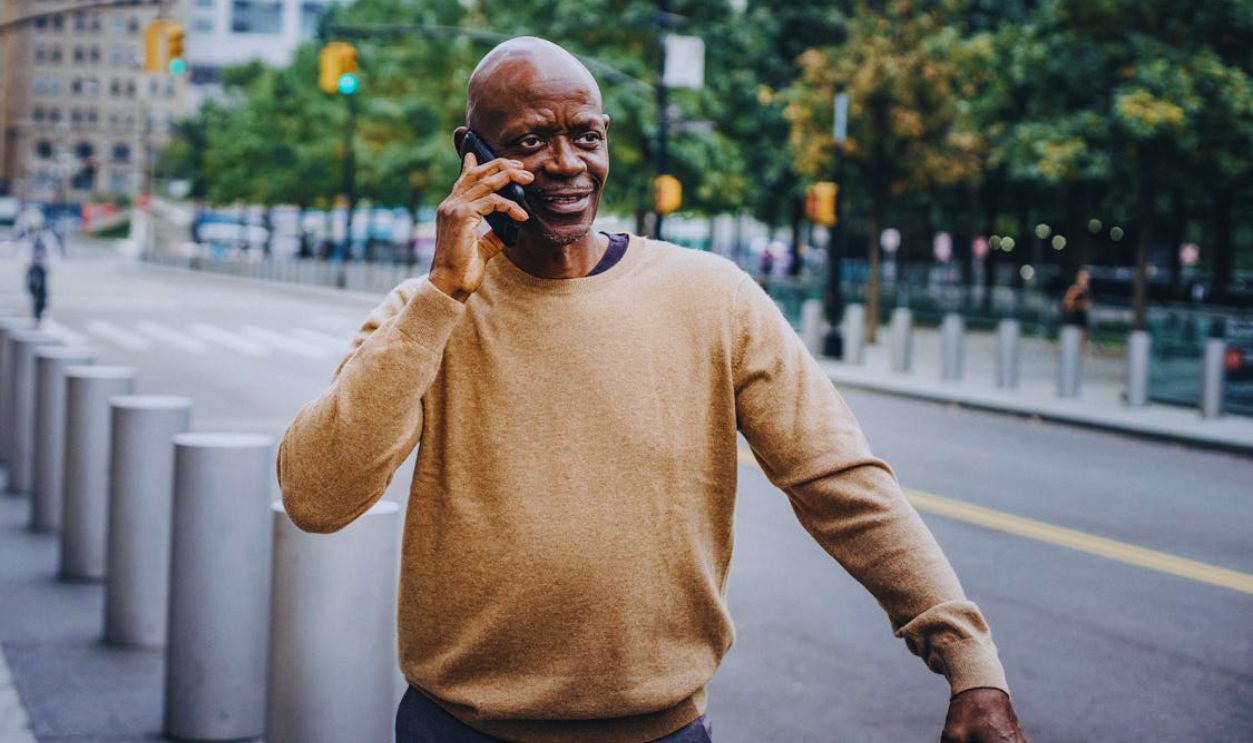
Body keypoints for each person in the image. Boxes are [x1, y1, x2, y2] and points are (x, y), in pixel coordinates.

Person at [277, 36, 1029, 743]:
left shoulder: (712, 296)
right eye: (530, 141)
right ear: (471, 155)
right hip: (460, 729)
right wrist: (441, 294)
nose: (567, 163)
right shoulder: (426, 313)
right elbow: (317, 496)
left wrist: (969, 661)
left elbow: (839, 479)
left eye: (585, 135)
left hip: (662, 729)